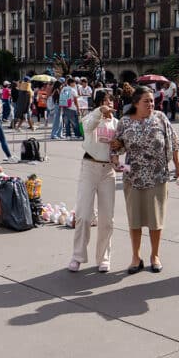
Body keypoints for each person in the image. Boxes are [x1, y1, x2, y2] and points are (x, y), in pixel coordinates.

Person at [110, 86, 179, 274]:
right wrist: (116, 161)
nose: (151, 104)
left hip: (158, 177)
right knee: (134, 220)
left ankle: (155, 255)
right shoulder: (125, 122)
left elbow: (174, 143)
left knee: (155, 220)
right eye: (146, 101)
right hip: (133, 178)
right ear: (136, 103)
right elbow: (115, 146)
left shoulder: (160, 118)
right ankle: (136, 257)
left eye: (152, 101)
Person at [68, 90, 119, 273]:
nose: (108, 104)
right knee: (83, 215)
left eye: (110, 100)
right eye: (104, 101)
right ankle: (77, 256)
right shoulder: (91, 117)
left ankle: (103, 257)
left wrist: (119, 149)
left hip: (108, 171)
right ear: (98, 103)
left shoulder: (116, 123)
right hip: (89, 167)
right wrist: (99, 112)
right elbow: (88, 128)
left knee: (107, 219)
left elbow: (119, 147)